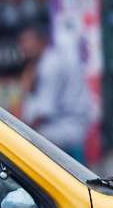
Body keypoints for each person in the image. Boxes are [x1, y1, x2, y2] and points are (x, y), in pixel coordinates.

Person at [17, 22, 94, 163]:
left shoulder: (51, 64)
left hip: (68, 127)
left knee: (26, 140)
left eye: (27, 41)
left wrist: (19, 132)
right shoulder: (41, 63)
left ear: (42, 41)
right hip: (63, 125)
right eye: (21, 42)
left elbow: (43, 112)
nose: (23, 46)